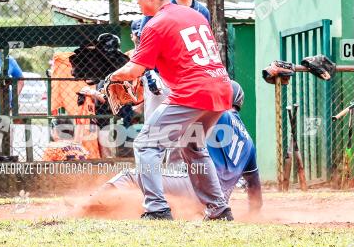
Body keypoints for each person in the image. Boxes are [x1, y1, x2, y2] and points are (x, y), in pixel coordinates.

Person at [108, 0, 233, 221]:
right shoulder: (194, 14)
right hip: (221, 88)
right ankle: (219, 209)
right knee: (193, 146)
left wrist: (110, 78)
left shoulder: (155, 24)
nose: (138, 0)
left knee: (146, 144)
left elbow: (134, 69)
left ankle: (157, 209)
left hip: (193, 91)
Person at [97, 81, 261, 212]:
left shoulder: (214, 112)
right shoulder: (249, 144)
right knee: (158, 183)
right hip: (216, 199)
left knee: (130, 175)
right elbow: (254, 190)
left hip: (198, 188)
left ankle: (87, 204)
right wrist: (253, 215)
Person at [138, 0, 212, 122]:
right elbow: (142, 44)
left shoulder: (202, 11)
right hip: (160, 78)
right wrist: (149, 72)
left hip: (189, 81)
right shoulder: (160, 6)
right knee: (155, 128)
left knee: (188, 132)